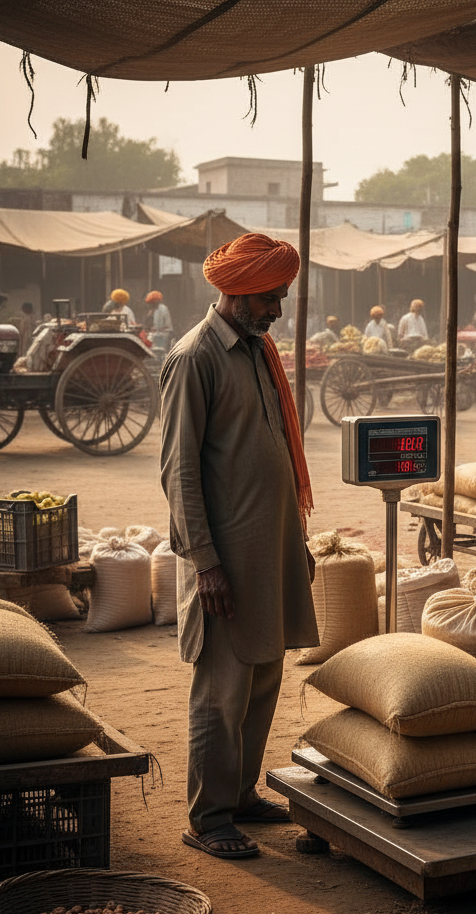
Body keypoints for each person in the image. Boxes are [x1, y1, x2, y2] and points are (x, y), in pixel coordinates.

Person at [159, 233, 319, 860]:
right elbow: (179, 473)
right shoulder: (195, 357)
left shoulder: (256, 350)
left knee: (263, 677)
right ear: (236, 291)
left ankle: (241, 792)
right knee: (223, 689)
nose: (279, 308)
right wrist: (205, 563)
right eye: (272, 297)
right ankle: (209, 816)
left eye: (281, 295)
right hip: (224, 560)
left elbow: (277, 452)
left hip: (269, 550)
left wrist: (296, 540)